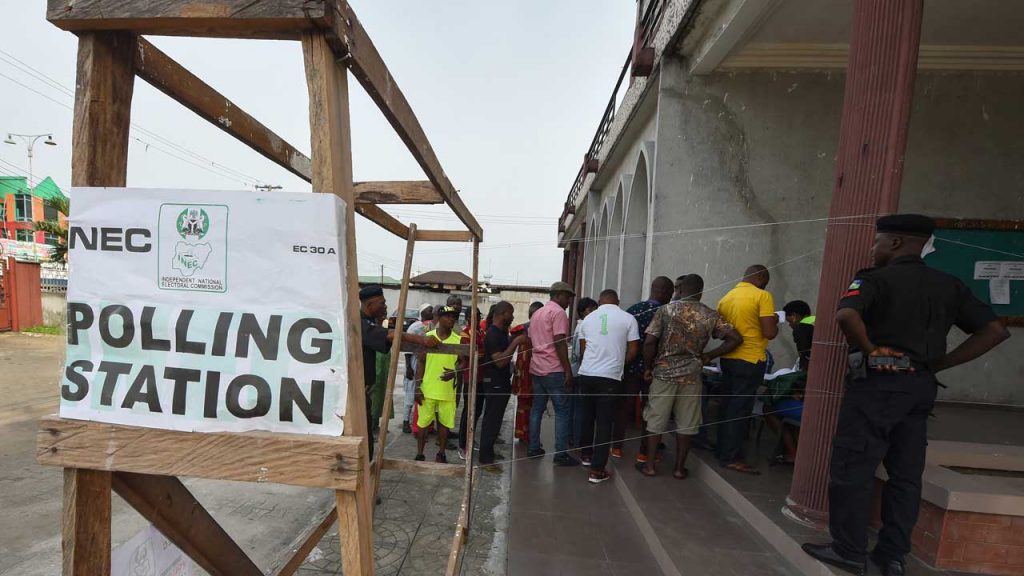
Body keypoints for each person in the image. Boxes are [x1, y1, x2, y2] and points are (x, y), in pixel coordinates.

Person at [803, 215, 1010, 576]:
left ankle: (848, 550)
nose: (873, 248)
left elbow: (847, 314)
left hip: (878, 385)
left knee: (854, 466)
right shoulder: (949, 284)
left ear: (895, 243)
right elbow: (994, 330)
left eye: (877, 241)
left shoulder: (874, 279)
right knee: (906, 475)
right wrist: (938, 364)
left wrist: (871, 349)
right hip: (921, 387)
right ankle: (893, 555)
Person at [639, 274, 742, 479]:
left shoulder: (665, 310)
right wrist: (709, 355)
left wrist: (648, 367)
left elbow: (650, 342)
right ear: (701, 292)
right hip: (692, 376)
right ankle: (679, 468)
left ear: (680, 290)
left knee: (656, 418)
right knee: (687, 423)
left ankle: (650, 465)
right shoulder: (709, 314)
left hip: (664, 373)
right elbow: (735, 338)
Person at [359, 286, 438, 460]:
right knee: (361, 436)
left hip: (365, 389)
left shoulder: (369, 321)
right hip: (356, 391)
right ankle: (363, 472)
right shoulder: (359, 322)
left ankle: (366, 469)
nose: (385, 306)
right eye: (382, 303)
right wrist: (421, 339)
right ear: (370, 303)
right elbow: (389, 336)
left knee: (366, 433)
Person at [715, 265, 778, 475]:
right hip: (750, 359)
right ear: (760, 277)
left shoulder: (726, 298)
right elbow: (769, 333)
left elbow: (720, 332)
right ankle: (731, 457)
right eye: (766, 280)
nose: (766, 284)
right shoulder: (763, 296)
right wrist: (775, 321)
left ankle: (722, 451)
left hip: (728, 359)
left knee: (727, 406)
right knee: (740, 409)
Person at [577, 290, 640, 484]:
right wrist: (618, 364)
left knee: (587, 417)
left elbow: (583, 349)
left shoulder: (587, 319)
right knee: (604, 423)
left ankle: (586, 456)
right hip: (610, 378)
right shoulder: (629, 319)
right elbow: (633, 350)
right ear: (618, 301)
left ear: (599, 302)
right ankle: (597, 471)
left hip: (586, 374)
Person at [613, 277, 675, 460]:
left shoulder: (633, 310)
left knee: (624, 407)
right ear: (664, 292)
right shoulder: (666, 313)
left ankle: (616, 448)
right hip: (654, 370)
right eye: (670, 294)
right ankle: (644, 452)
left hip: (630, 367)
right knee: (651, 410)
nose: (671, 298)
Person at [527, 282, 579, 466]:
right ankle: (561, 454)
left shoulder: (537, 313)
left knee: (537, 409)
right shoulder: (558, 313)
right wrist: (567, 369)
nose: (569, 302)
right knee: (562, 412)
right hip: (554, 369)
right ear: (558, 295)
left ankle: (533, 447)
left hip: (537, 368)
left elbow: (532, 339)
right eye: (567, 297)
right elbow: (559, 342)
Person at [470, 302, 527, 465]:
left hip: (500, 381)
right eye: (511, 313)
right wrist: (516, 343)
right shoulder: (493, 334)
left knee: (495, 420)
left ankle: (489, 453)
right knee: (491, 419)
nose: (513, 316)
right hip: (494, 382)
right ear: (502, 313)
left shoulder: (501, 333)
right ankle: (485, 458)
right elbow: (500, 361)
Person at [413, 306, 465, 463]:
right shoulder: (428, 337)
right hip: (427, 390)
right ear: (439, 318)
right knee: (423, 424)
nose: (451, 319)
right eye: (447, 316)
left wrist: (455, 372)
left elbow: (463, 363)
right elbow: (421, 363)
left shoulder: (458, 340)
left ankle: (441, 453)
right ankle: (420, 454)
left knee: (444, 425)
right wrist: (417, 387)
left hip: (447, 391)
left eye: (453, 317)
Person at [457, 305, 493, 460]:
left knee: (477, 410)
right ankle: (463, 444)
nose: (477, 319)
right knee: (468, 411)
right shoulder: (466, 333)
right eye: (474, 316)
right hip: (470, 377)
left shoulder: (481, 332)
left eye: (478, 316)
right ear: (468, 318)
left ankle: (470, 440)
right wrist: (481, 355)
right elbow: (468, 354)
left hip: (482, 377)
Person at [513, 301, 544, 443]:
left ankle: (527, 435)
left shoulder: (524, 329)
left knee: (532, 405)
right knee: (532, 405)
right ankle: (526, 436)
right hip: (528, 372)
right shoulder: (521, 330)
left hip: (532, 371)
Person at [570, 297, 599, 449]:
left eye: (595, 309)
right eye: (590, 310)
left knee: (576, 408)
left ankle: (574, 439)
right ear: (582, 312)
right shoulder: (584, 327)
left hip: (577, 371)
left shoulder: (581, 326)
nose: (594, 312)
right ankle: (577, 441)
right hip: (580, 373)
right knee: (580, 410)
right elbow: (580, 353)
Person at [403, 304, 434, 434]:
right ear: (422, 313)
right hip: (414, 362)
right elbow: (407, 348)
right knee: (411, 393)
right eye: (429, 310)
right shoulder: (415, 327)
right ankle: (405, 421)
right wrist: (409, 367)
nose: (431, 312)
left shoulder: (431, 326)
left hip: (426, 363)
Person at [783, 300, 815, 371]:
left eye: (789, 321)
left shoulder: (799, 328)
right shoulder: (814, 324)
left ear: (794, 316)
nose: (789, 325)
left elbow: (804, 352)